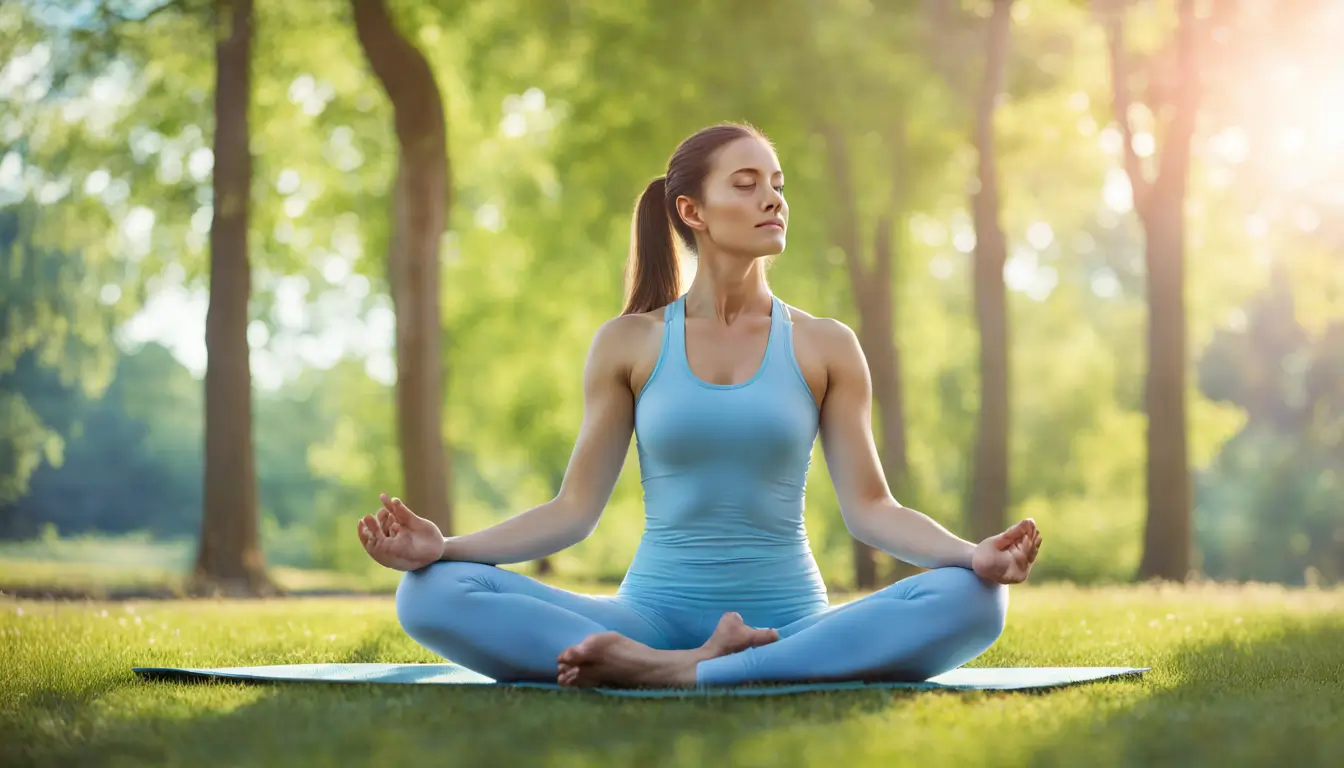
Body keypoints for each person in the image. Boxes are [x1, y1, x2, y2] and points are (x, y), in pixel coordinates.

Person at [356, 122, 1043, 689]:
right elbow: (574, 511)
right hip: (648, 615)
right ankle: (702, 665)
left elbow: (872, 510)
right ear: (692, 211)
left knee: (974, 600)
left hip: (790, 620)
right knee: (430, 593)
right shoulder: (630, 342)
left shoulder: (826, 345)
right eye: (746, 186)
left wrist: (969, 554)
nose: (772, 199)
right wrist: (444, 548)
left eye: (777, 185)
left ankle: (673, 674)